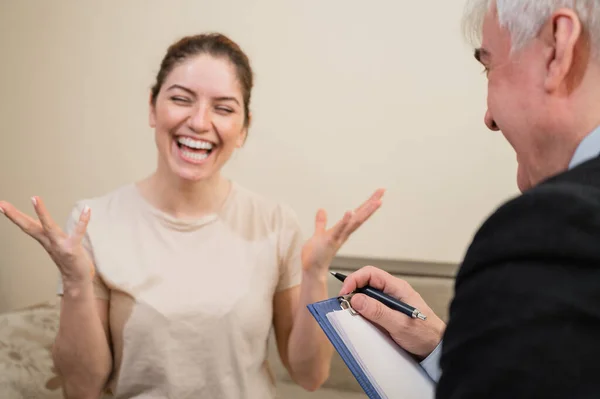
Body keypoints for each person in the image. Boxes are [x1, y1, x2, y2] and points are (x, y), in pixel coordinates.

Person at [0, 33, 385, 398]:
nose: (200, 122)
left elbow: (310, 376)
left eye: (223, 108)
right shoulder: (93, 221)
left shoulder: (275, 222)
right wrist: (75, 281)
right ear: (152, 108)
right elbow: (82, 389)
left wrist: (316, 274)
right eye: (182, 99)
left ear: (243, 129)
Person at [341, 0, 600, 397]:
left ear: (557, 50)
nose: (489, 118)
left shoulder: (550, 230)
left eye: (489, 66)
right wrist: (440, 346)